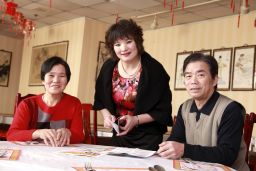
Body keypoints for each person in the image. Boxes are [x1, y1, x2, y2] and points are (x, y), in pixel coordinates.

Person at [157, 53, 249, 171]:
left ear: (215, 80)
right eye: (188, 76)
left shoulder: (231, 109)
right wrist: (168, 148)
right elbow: (176, 139)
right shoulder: (184, 107)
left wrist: (184, 149)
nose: (193, 81)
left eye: (200, 75)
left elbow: (227, 155)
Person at [94, 19, 172, 151]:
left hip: (148, 138)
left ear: (138, 42)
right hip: (119, 135)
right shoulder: (108, 67)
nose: (123, 48)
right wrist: (107, 116)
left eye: (128, 42)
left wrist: (135, 120)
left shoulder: (154, 69)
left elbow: (163, 111)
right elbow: (100, 100)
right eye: (117, 44)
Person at [7, 56, 84, 147]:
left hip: (61, 154)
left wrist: (69, 132)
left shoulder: (74, 103)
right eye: (51, 75)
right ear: (43, 80)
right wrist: (37, 133)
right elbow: (12, 135)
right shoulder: (27, 104)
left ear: (67, 81)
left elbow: (79, 136)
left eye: (62, 76)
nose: (56, 80)